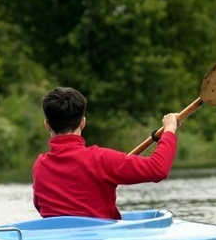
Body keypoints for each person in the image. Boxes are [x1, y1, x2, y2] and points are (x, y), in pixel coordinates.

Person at [32, 86, 179, 219]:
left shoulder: (40, 165)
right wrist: (169, 130)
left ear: (47, 125)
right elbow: (158, 168)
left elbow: (40, 207)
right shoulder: (101, 159)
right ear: (83, 122)